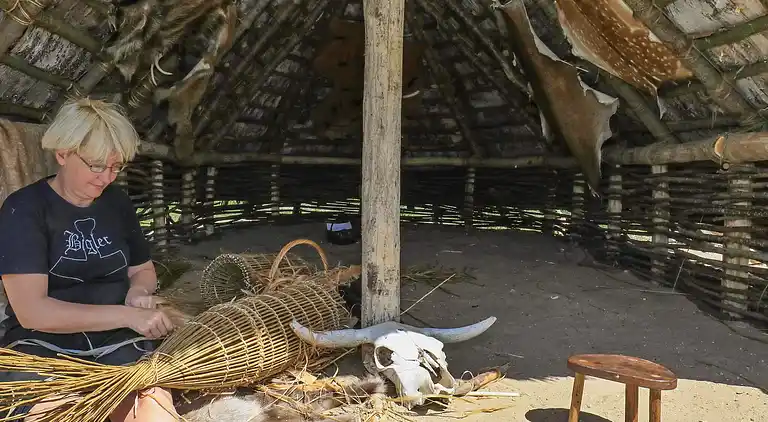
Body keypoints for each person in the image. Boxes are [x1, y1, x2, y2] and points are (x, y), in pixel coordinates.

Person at [0, 98, 180, 421]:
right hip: (43, 346)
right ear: (63, 154)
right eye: (97, 165)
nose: (107, 177)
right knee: (61, 413)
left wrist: (138, 293)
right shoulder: (24, 211)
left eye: (116, 167)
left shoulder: (118, 205)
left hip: (115, 343)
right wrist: (127, 316)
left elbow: (143, 270)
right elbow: (32, 312)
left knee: (155, 409)